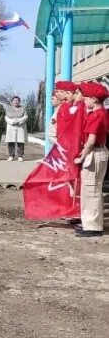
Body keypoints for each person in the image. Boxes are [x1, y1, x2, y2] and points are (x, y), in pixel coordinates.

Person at [74, 82, 109, 237]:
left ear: (94, 99)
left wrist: (81, 157)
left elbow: (91, 140)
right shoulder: (101, 113)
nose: (84, 99)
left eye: (86, 97)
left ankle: (93, 226)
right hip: (98, 151)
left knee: (92, 189)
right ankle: (89, 223)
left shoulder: (96, 115)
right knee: (90, 189)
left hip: (94, 153)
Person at [5, 96, 28, 161]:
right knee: (11, 141)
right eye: (14, 100)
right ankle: (11, 155)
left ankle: (20, 156)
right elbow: (6, 117)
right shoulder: (8, 108)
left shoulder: (23, 108)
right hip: (11, 126)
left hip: (20, 126)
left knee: (20, 141)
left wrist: (19, 121)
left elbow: (26, 116)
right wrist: (12, 122)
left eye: (17, 100)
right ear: (12, 102)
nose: (16, 101)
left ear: (19, 101)